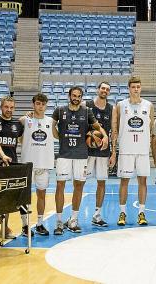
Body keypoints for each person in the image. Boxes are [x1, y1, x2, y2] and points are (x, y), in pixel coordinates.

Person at [52, 86, 108, 235]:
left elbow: (98, 127)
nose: (76, 98)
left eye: (79, 96)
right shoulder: (60, 110)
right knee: (60, 186)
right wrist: (61, 137)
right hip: (64, 154)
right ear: (69, 95)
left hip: (81, 155)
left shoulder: (87, 111)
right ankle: (58, 222)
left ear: (81, 97)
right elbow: (52, 128)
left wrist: (105, 136)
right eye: (74, 95)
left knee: (79, 187)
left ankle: (73, 220)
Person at [116, 76, 154, 226]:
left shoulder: (148, 105)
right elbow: (116, 126)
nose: (136, 89)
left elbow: (150, 128)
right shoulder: (121, 105)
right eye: (133, 87)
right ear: (129, 88)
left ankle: (141, 213)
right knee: (124, 181)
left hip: (142, 150)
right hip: (126, 149)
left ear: (141, 88)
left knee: (142, 181)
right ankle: (122, 212)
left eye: (138, 86)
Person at [20, 93, 56, 236]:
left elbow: (59, 135)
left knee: (42, 194)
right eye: (38, 104)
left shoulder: (51, 121)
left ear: (46, 105)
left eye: (43, 104)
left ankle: (40, 224)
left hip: (43, 164)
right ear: (33, 104)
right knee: (24, 196)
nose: (40, 107)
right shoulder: (25, 120)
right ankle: (25, 226)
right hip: (27, 164)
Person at [0, 95, 32, 238]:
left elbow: (26, 139)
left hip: (10, 167)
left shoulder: (17, 125)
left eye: (12, 107)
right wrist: (2, 155)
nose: (9, 110)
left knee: (7, 199)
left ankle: (4, 229)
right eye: (6, 107)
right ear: (1, 107)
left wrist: (27, 118)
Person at [85, 82, 117, 227]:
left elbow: (114, 132)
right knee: (79, 183)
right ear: (98, 89)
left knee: (102, 183)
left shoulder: (112, 109)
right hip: (87, 151)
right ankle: (73, 216)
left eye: (107, 89)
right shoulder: (87, 105)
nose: (105, 90)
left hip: (104, 152)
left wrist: (113, 152)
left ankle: (97, 215)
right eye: (103, 88)